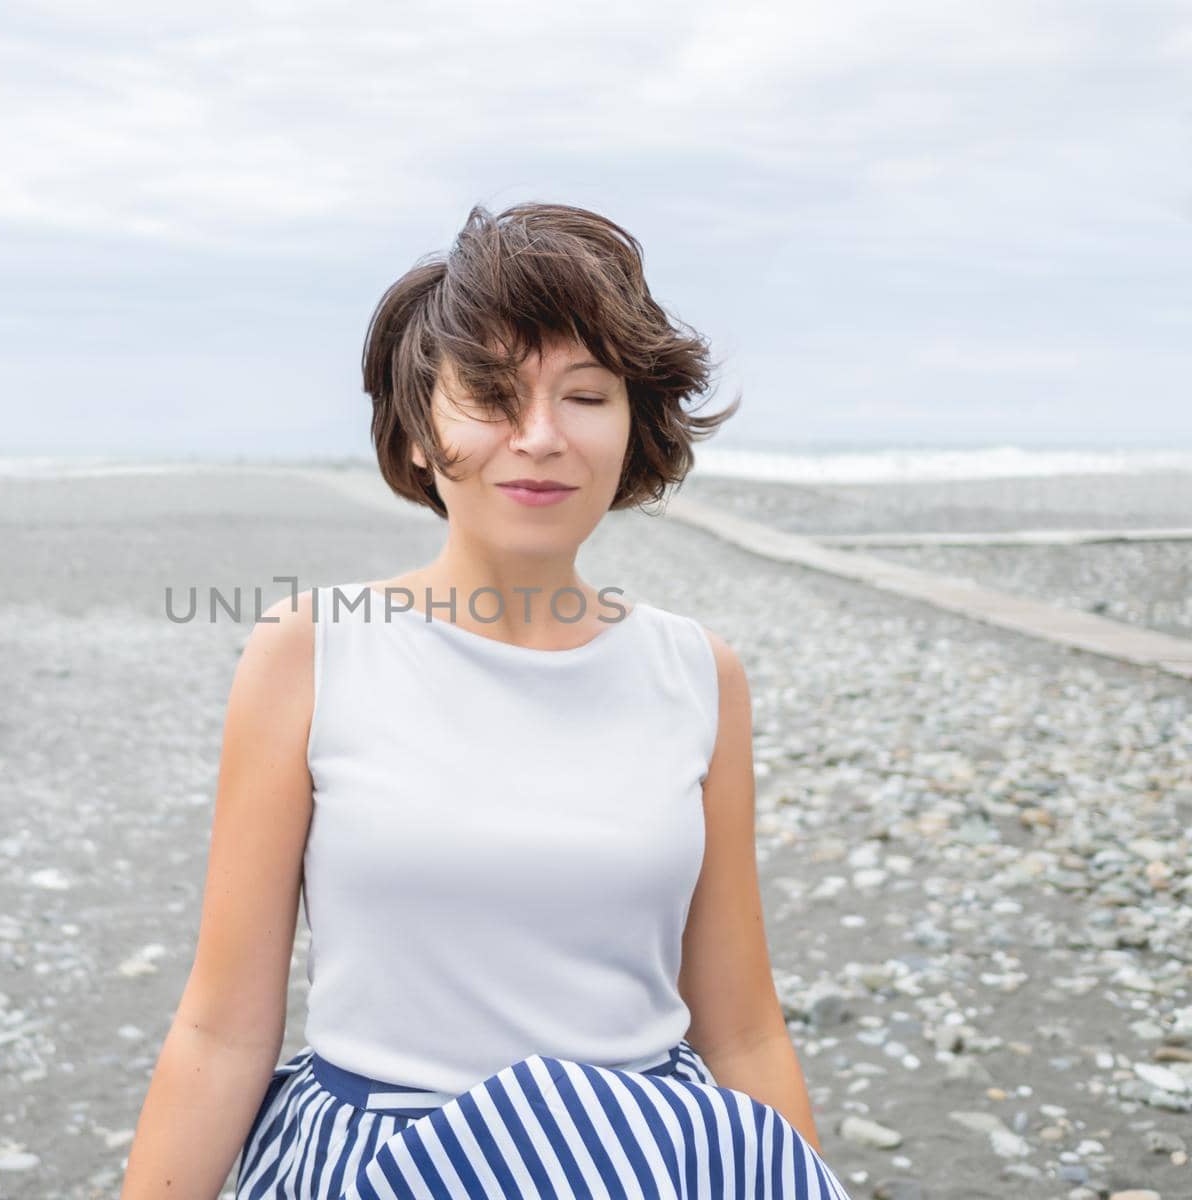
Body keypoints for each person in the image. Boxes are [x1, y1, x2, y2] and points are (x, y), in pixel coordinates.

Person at [119, 202, 852, 1199]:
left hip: (656, 1162)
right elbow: (220, 1025)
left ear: (632, 426)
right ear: (420, 432)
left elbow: (744, 1029)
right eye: (492, 397)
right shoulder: (310, 651)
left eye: (584, 396)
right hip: (376, 1161)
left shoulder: (698, 672)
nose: (540, 437)